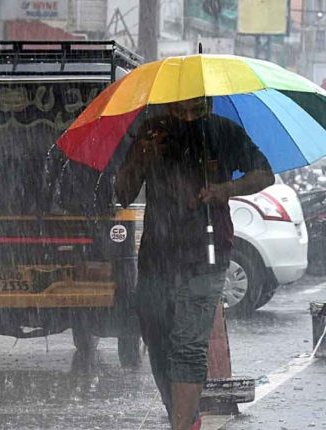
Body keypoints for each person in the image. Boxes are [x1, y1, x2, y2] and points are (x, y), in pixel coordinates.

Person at [114, 97, 274, 430]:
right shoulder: (152, 131)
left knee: (187, 346)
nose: (187, 114)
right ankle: (183, 413)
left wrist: (226, 189)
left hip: (207, 253)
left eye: (196, 106)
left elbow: (264, 174)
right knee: (157, 340)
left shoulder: (222, 131)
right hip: (157, 256)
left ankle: (181, 424)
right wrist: (143, 154)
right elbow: (123, 192)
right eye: (180, 106)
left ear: (208, 102)